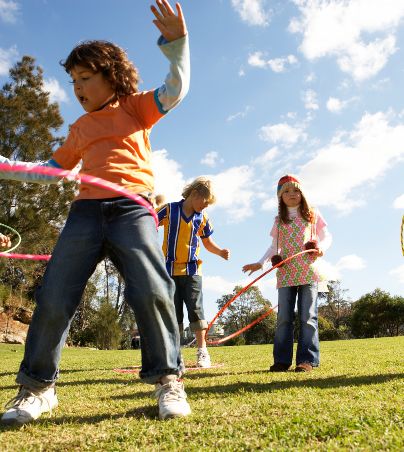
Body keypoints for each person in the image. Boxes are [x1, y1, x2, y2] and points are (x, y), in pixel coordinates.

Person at [0, 0, 191, 424]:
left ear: (113, 77)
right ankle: (37, 389)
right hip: (85, 210)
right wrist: (8, 167)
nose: (78, 88)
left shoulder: (135, 108)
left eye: (86, 78)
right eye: (73, 82)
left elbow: (175, 90)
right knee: (54, 294)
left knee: (153, 289)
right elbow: (52, 172)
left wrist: (178, 45)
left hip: (133, 208)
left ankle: (168, 382)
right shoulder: (80, 128)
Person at [242, 175, 332, 373]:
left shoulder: (312, 214)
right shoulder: (279, 221)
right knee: (284, 317)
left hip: (308, 270)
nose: (292, 194)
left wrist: (320, 247)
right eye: (287, 192)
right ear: (280, 197)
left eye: (296, 190)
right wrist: (260, 263)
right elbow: (274, 246)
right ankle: (282, 360)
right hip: (286, 272)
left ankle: (307, 360)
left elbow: (327, 236)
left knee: (308, 316)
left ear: (302, 193)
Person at [157, 177, 230, 368]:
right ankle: (174, 354)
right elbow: (150, 222)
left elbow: (207, 243)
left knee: (196, 309)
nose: (205, 207)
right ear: (195, 194)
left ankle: (202, 351)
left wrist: (220, 251)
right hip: (169, 270)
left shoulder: (202, 218)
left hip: (192, 270)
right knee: (173, 312)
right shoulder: (169, 210)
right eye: (204, 203)